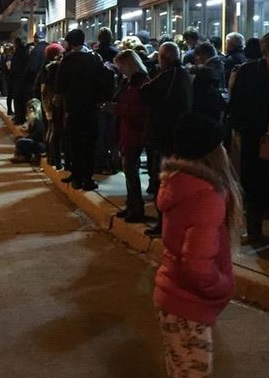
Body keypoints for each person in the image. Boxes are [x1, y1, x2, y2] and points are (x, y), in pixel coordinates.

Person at [152, 113, 243, 378]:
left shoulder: (180, 183)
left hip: (171, 297)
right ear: (215, 152)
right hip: (188, 304)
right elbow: (198, 266)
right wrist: (223, 288)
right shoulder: (207, 197)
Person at [227, 29, 269, 244]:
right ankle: (254, 232)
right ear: (268, 50)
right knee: (253, 185)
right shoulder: (248, 71)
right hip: (254, 137)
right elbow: (237, 104)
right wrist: (242, 130)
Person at [139, 41, 193, 236]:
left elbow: (145, 94)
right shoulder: (185, 75)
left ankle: (165, 224)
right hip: (179, 134)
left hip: (165, 135)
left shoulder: (168, 77)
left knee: (164, 181)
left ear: (163, 58)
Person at [54, 27, 108, 191]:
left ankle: (76, 175)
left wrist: (59, 98)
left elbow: (60, 84)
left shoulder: (68, 59)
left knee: (75, 142)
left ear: (70, 43)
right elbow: (102, 81)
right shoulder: (94, 58)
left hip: (73, 107)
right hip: (91, 107)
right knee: (89, 144)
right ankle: (87, 178)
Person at [104, 49, 150, 222]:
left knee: (131, 170)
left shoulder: (141, 84)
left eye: (121, 67)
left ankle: (136, 208)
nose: (120, 70)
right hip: (126, 129)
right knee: (129, 170)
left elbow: (139, 111)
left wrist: (116, 108)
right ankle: (131, 204)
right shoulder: (129, 82)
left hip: (134, 131)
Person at [10, 98, 45, 164]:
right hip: (35, 141)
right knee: (18, 138)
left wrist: (26, 138)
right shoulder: (33, 120)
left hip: (40, 144)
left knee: (20, 142)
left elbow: (36, 136)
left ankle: (25, 157)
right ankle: (23, 156)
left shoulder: (38, 121)